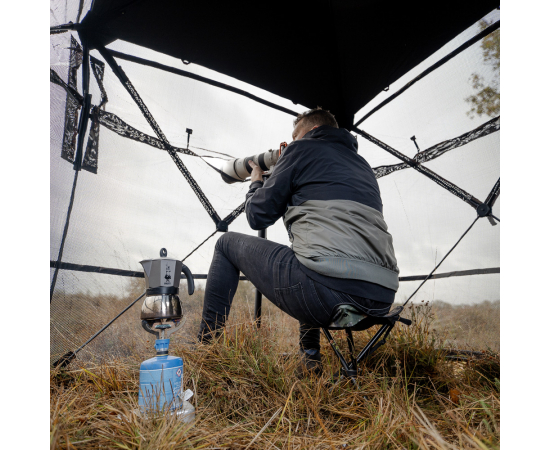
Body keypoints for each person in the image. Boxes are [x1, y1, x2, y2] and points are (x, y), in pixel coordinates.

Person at [197, 107, 399, 375]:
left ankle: (206, 352)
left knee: (226, 244)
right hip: (380, 301)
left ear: (313, 131)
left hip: (327, 295)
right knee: (311, 256)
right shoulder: (362, 167)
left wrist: (256, 183)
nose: (291, 143)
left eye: (295, 136)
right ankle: (310, 357)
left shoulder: (301, 150)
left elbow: (257, 216)